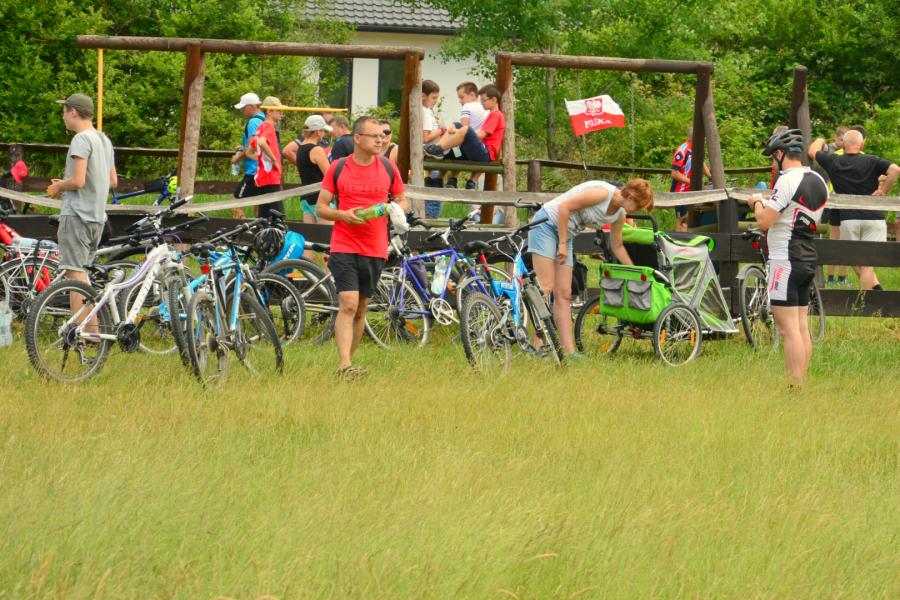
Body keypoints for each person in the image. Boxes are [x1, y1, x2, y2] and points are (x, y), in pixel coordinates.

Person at [316, 116, 408, 379]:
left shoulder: (388, 167)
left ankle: (349, 363)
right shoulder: (338, 167)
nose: (381, 140)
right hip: (344, 244)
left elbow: (402, 201)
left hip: (375, 247)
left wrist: (393, 209)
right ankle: (344, 364)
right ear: (357, 138)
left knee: (361, 308)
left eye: (383, 136)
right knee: (348, 303)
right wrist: (342, 215)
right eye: (374, 136)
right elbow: (322, 207)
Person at [528, 178, 654, 360]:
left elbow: (617, 245)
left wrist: (634, 270)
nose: (637, 210)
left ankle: (569, 351)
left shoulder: (619, 214)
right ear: (631, 197)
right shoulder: (602, 193)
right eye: (638, 205)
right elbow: (564, 207)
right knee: (546, 287)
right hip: (547, 224)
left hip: (566, 234)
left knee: (564, 293)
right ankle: (538, 347)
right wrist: (561, 244)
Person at [749, 129, 828, 386]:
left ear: (781, 154)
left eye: (773, 158)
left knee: (787, 329)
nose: (773, 164)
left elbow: (764, 222)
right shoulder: (818, 179)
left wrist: (756, 202)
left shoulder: (786, 182)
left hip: (784, 259)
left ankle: (795, 385)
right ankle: (801, 380)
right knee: (801, 326)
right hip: (806, 256)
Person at [46, 93, 117, 329]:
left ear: (73, 112)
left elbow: (78, 181)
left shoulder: (81, 139)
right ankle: (93, 331)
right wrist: (69, 183)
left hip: (77, 216)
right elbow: (112, 181)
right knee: (83, 275)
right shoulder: (104, 140)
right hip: (97, 218)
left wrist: (59, 187)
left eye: (64, 112)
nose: (63, 117)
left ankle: (80, 333)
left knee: (74, 277)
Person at [809, 129, 899, 290]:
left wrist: (822, 139)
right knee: (869, 263)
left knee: (853, 258)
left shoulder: (833, 161)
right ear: (862, 144)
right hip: (874, 218)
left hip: (848, 219)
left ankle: (873, 291)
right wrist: (883, 190)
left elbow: (811, 150)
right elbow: (895, 170)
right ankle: (869, 295)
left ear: (843, 144)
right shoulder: (872, 160)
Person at [423, 81, 488, 189]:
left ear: (472, 95)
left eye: (461, 97)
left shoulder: (468, 106)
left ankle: (441, 176)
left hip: (467, 149)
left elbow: (463, 130)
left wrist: (449, 130)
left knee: (453, 145)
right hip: (480, 151)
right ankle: (453, 179)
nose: (460, 101)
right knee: (455, 149)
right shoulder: (486, 110)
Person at [283, 114, 333, 229]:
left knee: (309, 236)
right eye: (323, 131)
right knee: (327, 236)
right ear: (318, 132)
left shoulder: (300, 149)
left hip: (306, 199)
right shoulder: (316, 150)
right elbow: (329, 175)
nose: (324, 134)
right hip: (320, 199)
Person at [817, 126, 849, 286]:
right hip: (831, 197)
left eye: (845, 139)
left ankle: (839, 277)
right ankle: (832, 276)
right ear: (836, 138)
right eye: (841, 139)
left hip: (837, 198)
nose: (843, 142)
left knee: (839, 239)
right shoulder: (830, 151)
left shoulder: (837, 155)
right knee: (836, 238)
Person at [229, 92, 265, 219]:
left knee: (234, 204)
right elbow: (258, 145)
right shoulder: (264, 119)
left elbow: (252, 148)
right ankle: (259, 229)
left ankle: (243, 227)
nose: (242, 111)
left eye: (243, 108)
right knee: (259, 205)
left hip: (253, 171)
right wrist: (243, 148)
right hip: (263, 169)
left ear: (251, 106)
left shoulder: (253, 122)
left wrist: (236, 159)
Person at [669, 126, 711, 232]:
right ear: (695, 137)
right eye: (702, 137)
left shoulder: (696, 148)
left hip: (692, 191)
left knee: (691, 220)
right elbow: (674, 173)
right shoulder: (682, 151)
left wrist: (710, 175)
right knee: (682, 222)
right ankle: (679, 240)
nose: (704, 140)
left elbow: (701, 161)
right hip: (681, 192)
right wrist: (692, 182)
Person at [250, 96, 285, 219]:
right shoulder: (269, 127)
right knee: (278, 216)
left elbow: (249, 152)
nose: (281, 113)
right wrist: (274, 160)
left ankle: (262, 231)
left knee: (264, 215)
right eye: (278, 110)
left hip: (262, 176)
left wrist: (263, 159)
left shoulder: (260, 127)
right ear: (269, 112)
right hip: (270, 176)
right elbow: (262, 142)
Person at [422, 79, 445, 218]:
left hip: (431, 153)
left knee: (433, 184)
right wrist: (442, 131)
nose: (435, 101)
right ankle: (431, 216)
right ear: (423, 96)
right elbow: (425, 137)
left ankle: (430, 214)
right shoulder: (425, 111)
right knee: (435, 190)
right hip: (432, 152)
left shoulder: (427, 111)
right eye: (433, 98)